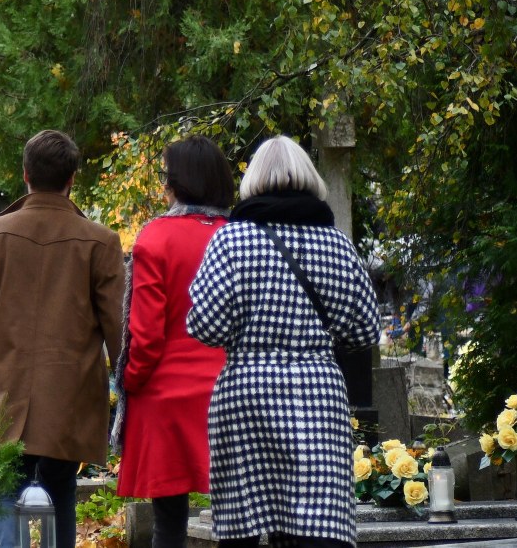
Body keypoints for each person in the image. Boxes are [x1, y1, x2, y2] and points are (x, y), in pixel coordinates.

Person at [186, 136, 379, 548]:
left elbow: (207, 327)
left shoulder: (231, 241)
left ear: (254, 180)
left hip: (246, 396)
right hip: (319, 395)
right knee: (318, 528)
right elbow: (365, 331)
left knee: (242, 528)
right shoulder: (338, 245)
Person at [0, 129, 124, 548]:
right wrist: (128, 385)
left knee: (5, 488)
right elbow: (118, 329)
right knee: (61, 490)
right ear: (72, 178)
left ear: (25, 174)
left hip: (1, 395)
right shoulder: (101, 241)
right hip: (70, 398)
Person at [112, 136, 233, 548]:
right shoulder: (240, 236)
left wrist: (129, 381)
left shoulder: (156, 237)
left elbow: (146, 336)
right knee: (239, 518)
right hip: (230, 389)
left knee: (168, 524)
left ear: (179, 182)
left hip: (165, 394)